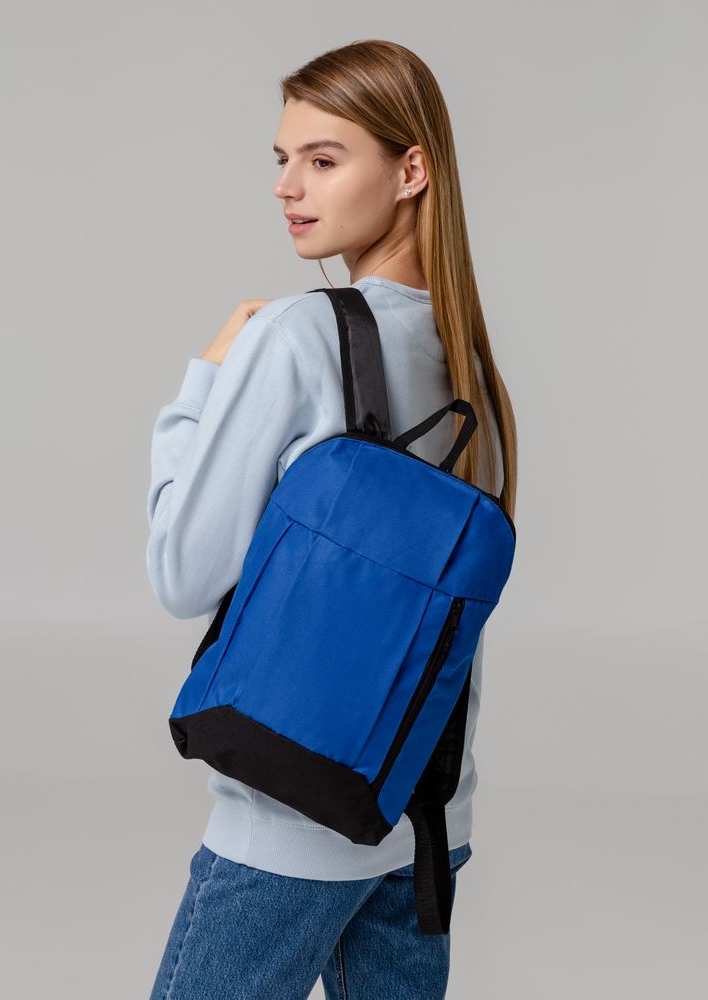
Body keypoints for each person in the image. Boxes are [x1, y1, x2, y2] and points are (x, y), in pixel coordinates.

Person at [146, 38, 517, 1000]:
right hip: (423, 819)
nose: (287, 186)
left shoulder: (294, 334)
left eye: (323, 158)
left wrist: (203, 384)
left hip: (290, 822)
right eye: (283, 159)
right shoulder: (470, 361)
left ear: (410, 170)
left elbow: (182, 573)